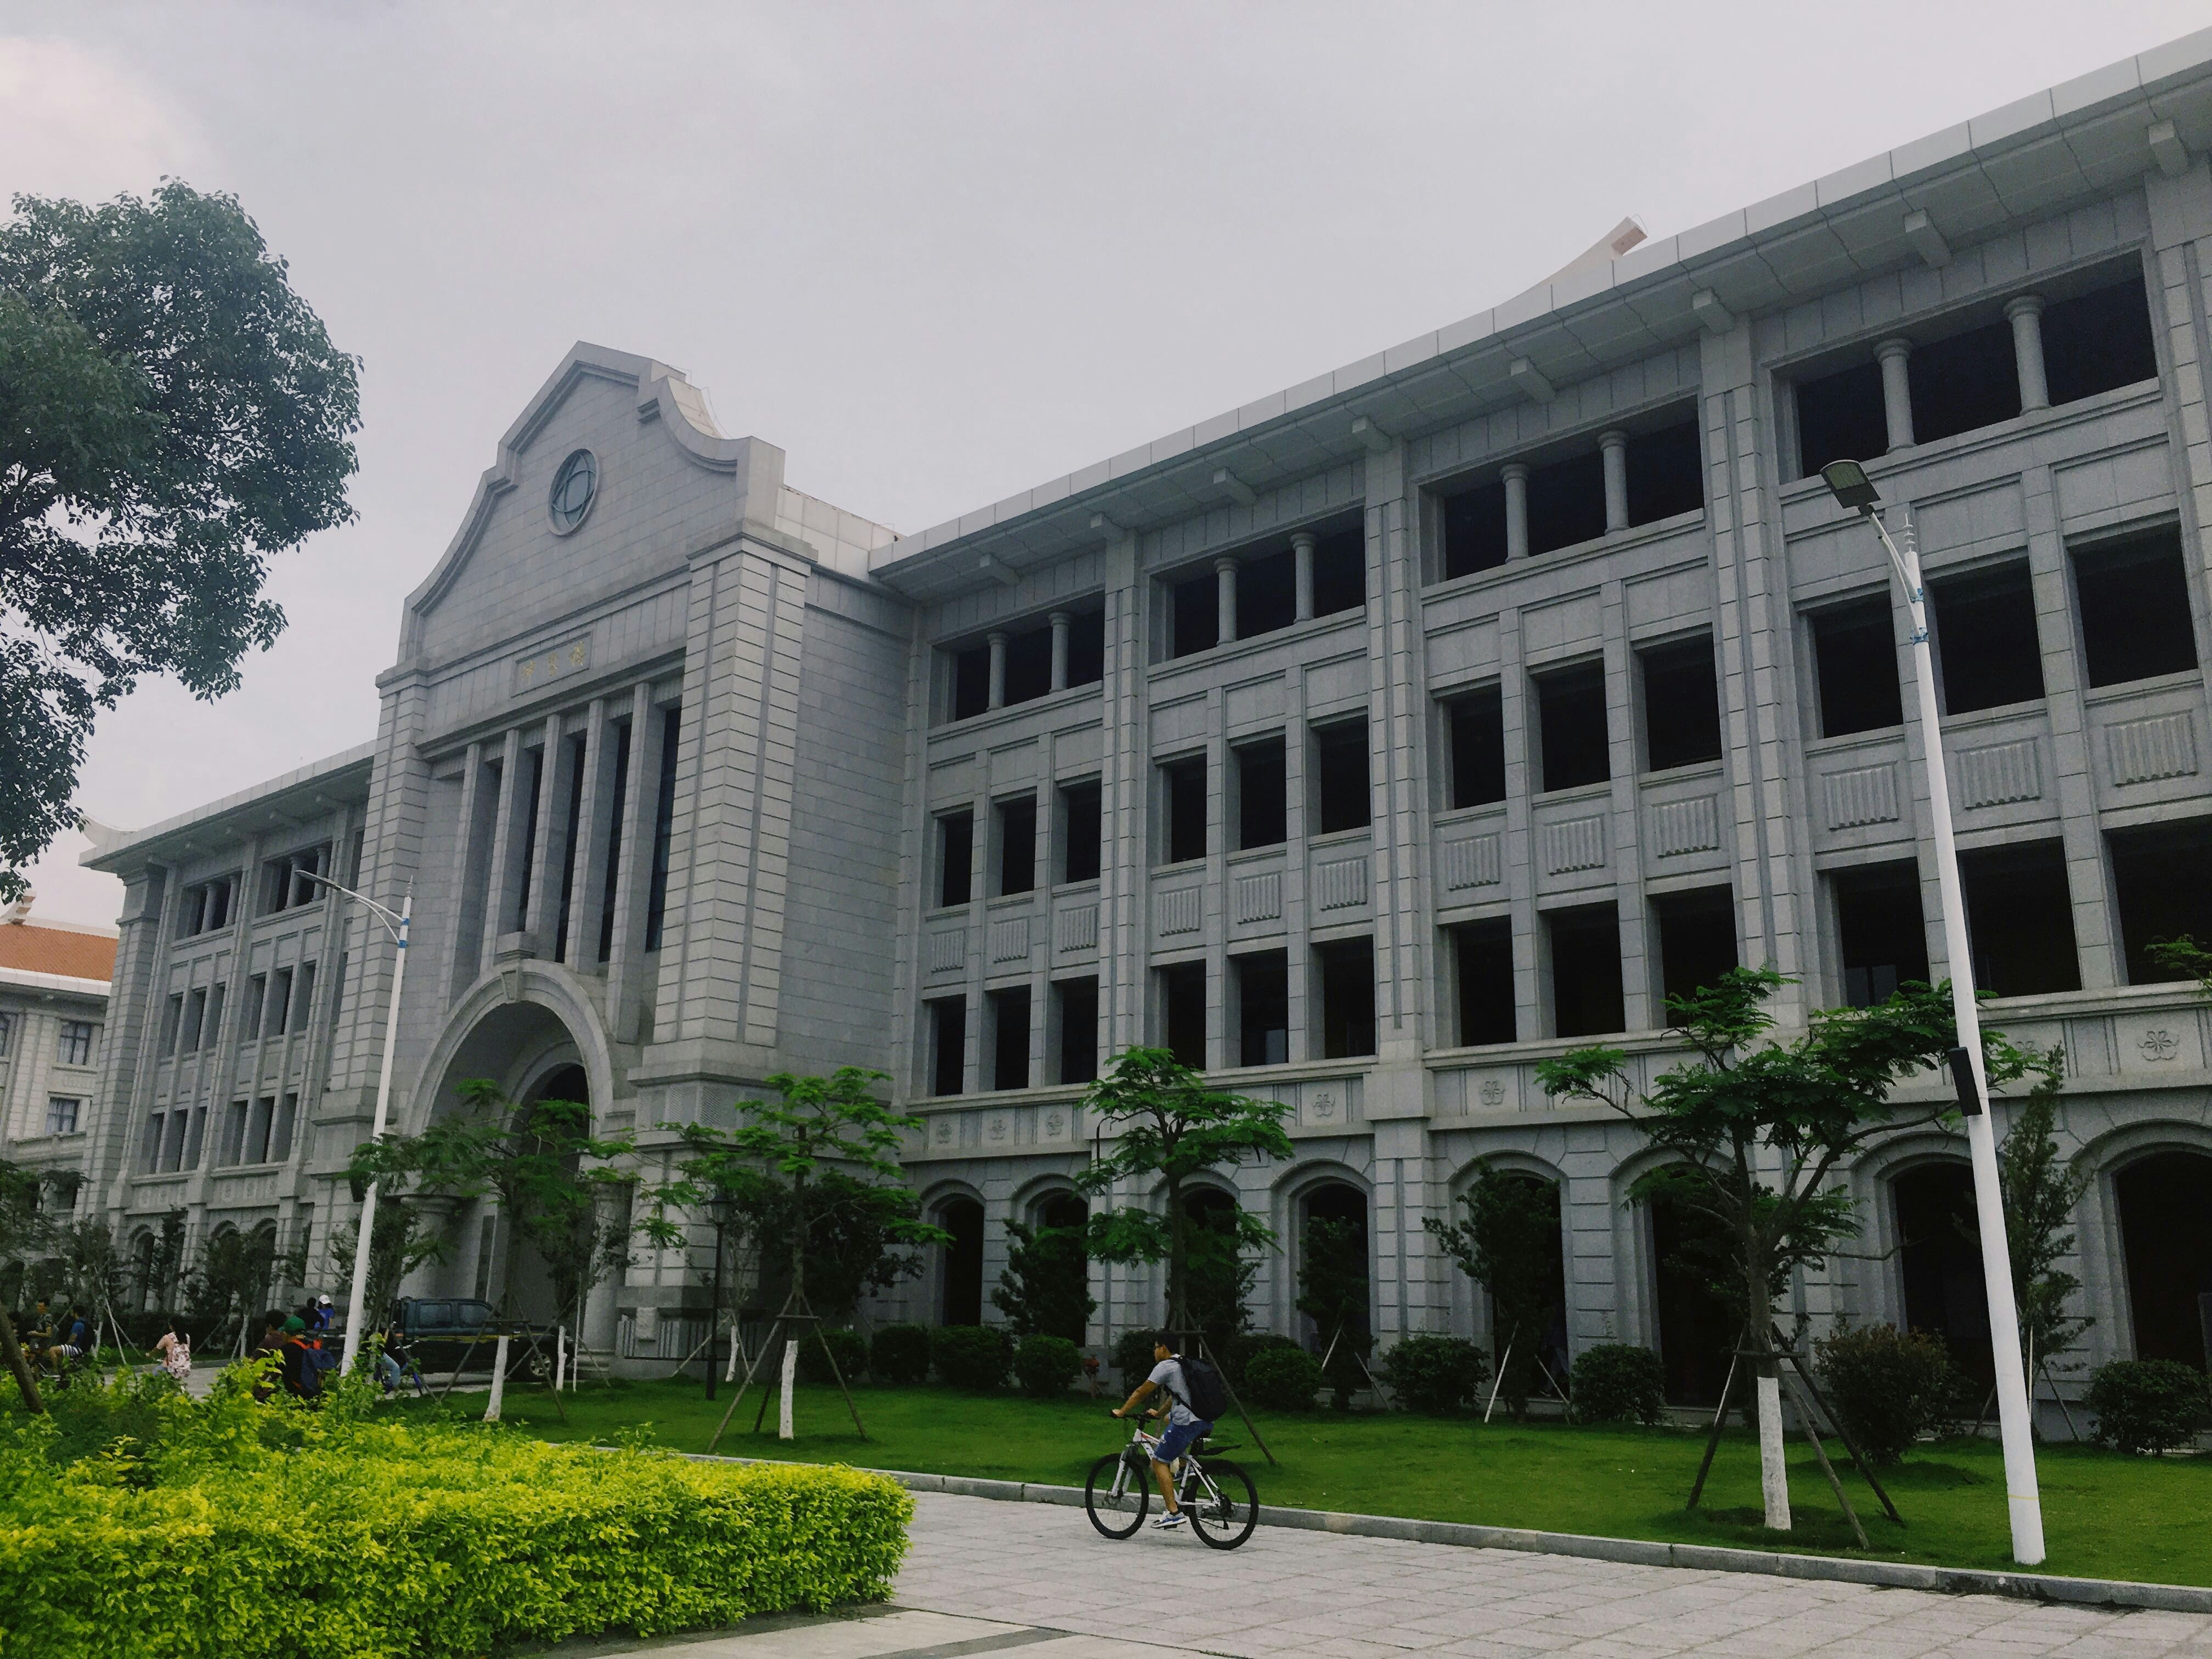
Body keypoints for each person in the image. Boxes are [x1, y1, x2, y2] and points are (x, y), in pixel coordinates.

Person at [1109, 1333, 1214, 1532]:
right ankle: (1185, 1469)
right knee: (1169, 1421)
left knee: (1159, 1462)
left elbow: (1141, 1392)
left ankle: (1174, 1513)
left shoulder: (1166, 1366)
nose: (1154, 1352)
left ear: (1163, 1348)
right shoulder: (1183, 1363)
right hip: (1203, 1419)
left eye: (1155, 1347)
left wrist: (1122, 1411)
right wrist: (1158, 1414)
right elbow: (1176, 1396)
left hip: (1187, 1422)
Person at [247, 1310, 286, 1402]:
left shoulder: (268, 1342)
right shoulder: (286, 1339)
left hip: (267, 1386)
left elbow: (251, 1362)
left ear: (270, 1326)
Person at [151, 1324, 193, 1388]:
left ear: (172, 1327)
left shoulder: (168, 1337)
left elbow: (157, 1349)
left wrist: (150, 1355)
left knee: (154, 1377)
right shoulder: (187, 1337)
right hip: (182, 1367)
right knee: (173, 1384)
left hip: (170, 1365)